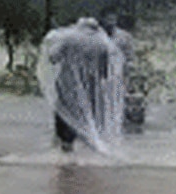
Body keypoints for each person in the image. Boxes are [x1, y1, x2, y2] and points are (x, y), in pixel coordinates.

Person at [41, 17, 124, 154]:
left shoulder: (68, 39)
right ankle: (89, 150)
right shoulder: (102, 43)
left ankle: (66, 149)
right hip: (91, 87)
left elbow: (53, 57)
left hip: (67, 85)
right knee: (89, 118)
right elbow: (105, 71)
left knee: (64, 116)